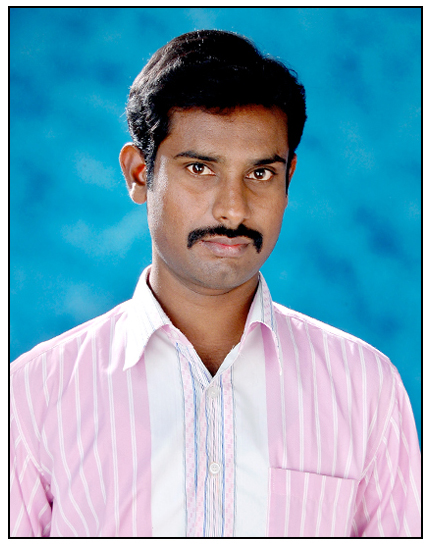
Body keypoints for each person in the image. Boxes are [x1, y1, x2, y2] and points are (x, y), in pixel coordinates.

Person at [10, 29, 421, 538]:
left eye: (260, 174)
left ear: (289, 178)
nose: (232, 209)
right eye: (200, 168)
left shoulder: (365, 389)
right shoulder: (33, 395)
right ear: (139, 174)